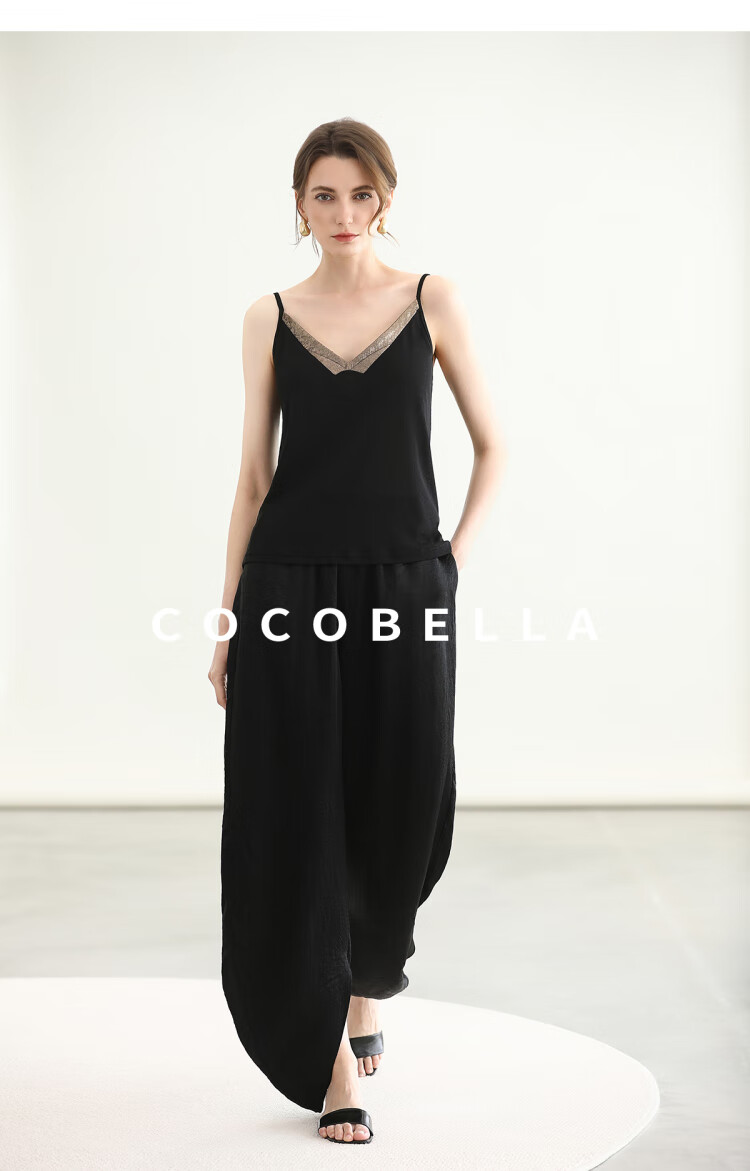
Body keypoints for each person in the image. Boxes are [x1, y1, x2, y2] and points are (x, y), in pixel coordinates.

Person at [208, 117, 504, 1146]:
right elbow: (253, 478)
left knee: (402, 795)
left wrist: (449, 559)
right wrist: (227, 622)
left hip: (405, 584)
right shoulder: (269, 315)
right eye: (323, 195)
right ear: (299, 205)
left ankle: (371, 975)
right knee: (299, 808)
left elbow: (495, 446)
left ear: (386, 198)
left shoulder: (431, 300)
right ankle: (333, 1055)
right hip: (287, 584)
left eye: (361, 194)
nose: (343, 213)